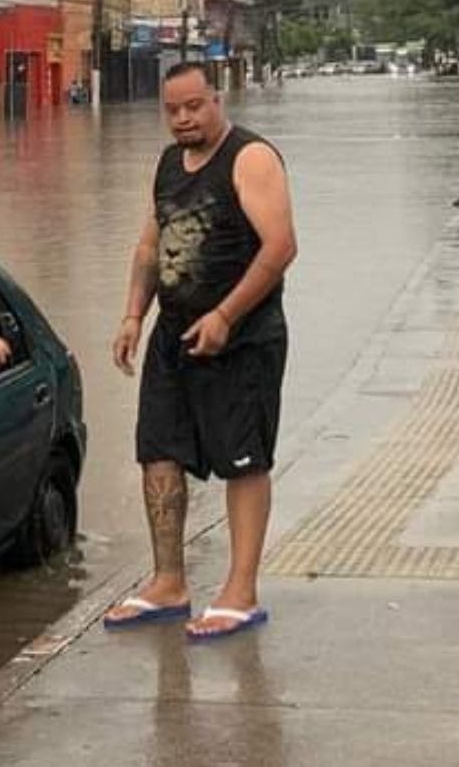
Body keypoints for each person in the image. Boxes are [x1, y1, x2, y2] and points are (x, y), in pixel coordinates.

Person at [107, 62, 297, 641]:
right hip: (174, 334)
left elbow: (281, 246)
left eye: (195, 106)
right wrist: (134, 315)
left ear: (217, 99)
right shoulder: (167, 164)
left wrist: (225, 315)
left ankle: (241, 590)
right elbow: (149, 244)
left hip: (243, 339)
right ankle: (169, 582)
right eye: (173, 109)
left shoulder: (250, 157)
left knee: (244, 460)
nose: (184, 118)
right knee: (157, 451)